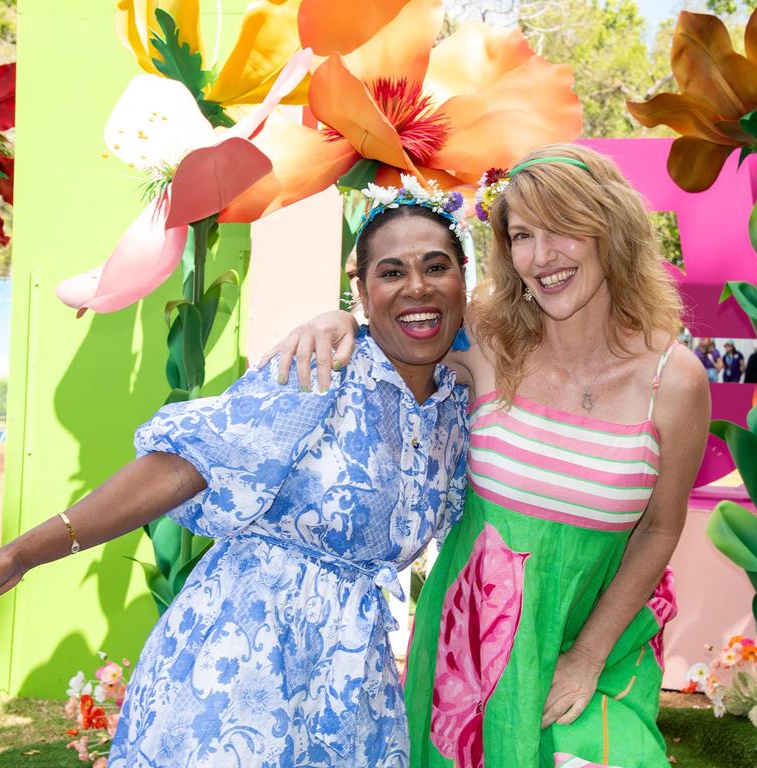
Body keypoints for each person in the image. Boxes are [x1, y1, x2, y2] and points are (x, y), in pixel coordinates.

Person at [0, 179, 473, 767]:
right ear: (363, 292)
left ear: (463, 281)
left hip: (351, 676)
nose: (416, 286)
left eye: (436, 266)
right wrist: (22, 554)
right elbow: (183, 468)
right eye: (392, 272)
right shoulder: (321, 367)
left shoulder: (457, 407)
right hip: (246, 653)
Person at [262, 144, 710, 767]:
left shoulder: (675, 380)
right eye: (523, 234)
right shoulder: (488, 339)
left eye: (564, 228)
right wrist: (331, 321)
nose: (541, 256)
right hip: (471, 646)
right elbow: (399, 323)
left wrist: (586, 658)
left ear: (611, 231)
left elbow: (661, 524)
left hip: (598, 641)